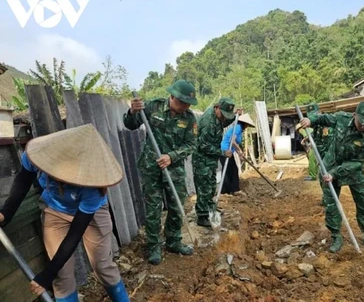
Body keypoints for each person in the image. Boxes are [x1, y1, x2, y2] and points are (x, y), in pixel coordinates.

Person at [0, 124, 129, 302]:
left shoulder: (93, 190)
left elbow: (74, 235)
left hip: (91, 216)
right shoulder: (39, 154)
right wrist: (6, 213)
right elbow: (23, 180)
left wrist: (46, 275)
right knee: (61, 274)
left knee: (102, 266)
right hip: (55, 211)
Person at [123, 80, 197, 265]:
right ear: (172, 96)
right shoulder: (152, 106)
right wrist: (133, 112)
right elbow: (130, 125)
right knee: (153, 210)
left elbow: (191, 145)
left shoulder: (189, 118)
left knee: (176, 208)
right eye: (182, 102)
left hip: (175, 170)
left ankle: (173, 241)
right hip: (151, 168)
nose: (185, 107)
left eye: (188, 104)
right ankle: (154, 246)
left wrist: (171, 156)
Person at [300, 101, 364, 254]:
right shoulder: (341, 118)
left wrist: (336, 174)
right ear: (355, 115)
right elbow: (324, 119)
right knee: (331, 204)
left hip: (353, 170)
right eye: (362, 122)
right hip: (330, 166)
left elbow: (358, 162)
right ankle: (336, 236)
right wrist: (311, 120)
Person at [193, 97, 239, 228]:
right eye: (224, 114)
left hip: (210, 159)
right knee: (203, 188)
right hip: (202, 159)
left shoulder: (219, 117)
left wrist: (235, 115)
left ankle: (210, 208)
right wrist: (223, 152)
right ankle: (202, 216)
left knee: (211, 185)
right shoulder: (207, 122)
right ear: (217, 108)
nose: (225, 118)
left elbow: (224, 122)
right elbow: (204, 146)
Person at [220, 113, 256, 196]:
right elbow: (232, 141)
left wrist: (239, 153)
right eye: (247, 125)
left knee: (232, 170)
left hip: (229, 151)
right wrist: (239, 150)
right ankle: (229, 191)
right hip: (225, 150)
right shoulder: (238, 128)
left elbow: (235, 144)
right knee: (229, 171)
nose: (247, 126)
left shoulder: (239, 130)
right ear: (245, 123)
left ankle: (230, 190)